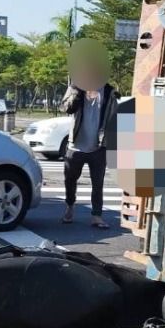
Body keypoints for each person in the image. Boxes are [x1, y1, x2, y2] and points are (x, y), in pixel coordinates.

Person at [59, 65, 118, 228]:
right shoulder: (75, 88)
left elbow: (114, 118)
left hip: (99, 147)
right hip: (75, 146)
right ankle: (69, 207)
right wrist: (76, 93)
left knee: (97, 183)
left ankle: (96, 216)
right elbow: (65, 108)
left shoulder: (109, 93)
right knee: (70, 180)